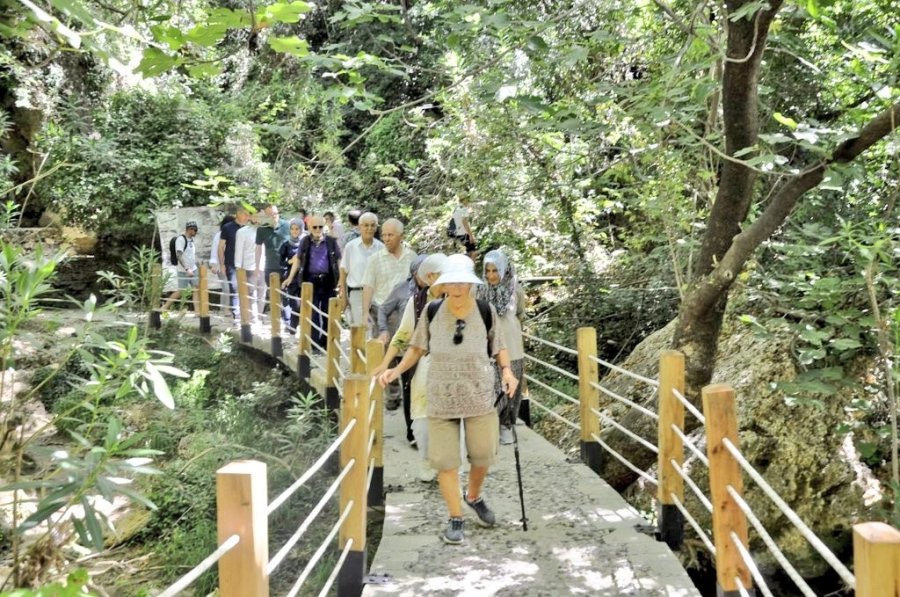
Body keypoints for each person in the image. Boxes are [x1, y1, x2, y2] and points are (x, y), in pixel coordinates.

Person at [378, 254, 518, 545]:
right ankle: (455, 517)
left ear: (471, 284)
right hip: (441, 396)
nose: (457, 287)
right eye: (451, 281)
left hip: (479, 395)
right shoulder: (431, 311)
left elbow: (499, 346)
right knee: (446, 462)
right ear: (443, 284)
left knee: (483, 455)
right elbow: (416, 348)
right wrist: (395, 370)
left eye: (462, 282)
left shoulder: (485, 310)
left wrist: (507, 371)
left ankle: (473, 496)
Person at [373, 253, 447, 479]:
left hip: (451, 367)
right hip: (422, 365)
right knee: (423, 420)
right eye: (442, 275)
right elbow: (402, 335)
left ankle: (446, 465)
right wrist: (385, 364)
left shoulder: (457, 300)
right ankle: (427, 459)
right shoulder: (416, 302)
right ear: (430, 276)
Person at [477, 250, 526, 445]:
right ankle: (490, 426)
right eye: (488, 271)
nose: (491, 275)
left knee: (511, 389)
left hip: (512, 345)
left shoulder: (516, 290)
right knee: (490, 387)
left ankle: (506, 425)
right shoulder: (479, 290)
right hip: (487, 347)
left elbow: (520, 315)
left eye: (495, 270)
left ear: (504, 269)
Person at [282, 215, 341, 349]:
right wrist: (290, 278)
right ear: (309, 228)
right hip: (310, 281)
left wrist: (341, 280)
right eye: (315, 227)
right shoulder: (305, 241)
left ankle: (326, 342)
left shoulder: (331, 241)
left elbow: (338, 260)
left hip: (328, 281)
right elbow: (298, 260)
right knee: (312, 312)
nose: (318, 229)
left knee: (327, 312)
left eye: (320, 227)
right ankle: (314, 342)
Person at [338, 212, 382, 327]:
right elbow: (343, 271)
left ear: (376, 227)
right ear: (360, 226)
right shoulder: (351, 247)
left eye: (373, 225)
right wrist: (343, 297)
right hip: (357, 294)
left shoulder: (381, 248)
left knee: (376, 329)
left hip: (377, 295)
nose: (369, 228)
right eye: (366, 225)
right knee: (361, 329)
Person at [256, 204, 291, 312]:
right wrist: (257, 267)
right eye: (270, 214)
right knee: (273, 295)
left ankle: (287, 320)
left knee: (287, 295)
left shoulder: (287, 226)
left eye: (275, 213)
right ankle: (276, 319)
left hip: (286, 267)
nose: (274, 216)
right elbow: (258, 249)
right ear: (266, 216)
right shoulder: (261, 229)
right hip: (270, 267)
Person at [218, 205, 251, 320]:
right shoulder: (227, 227)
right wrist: (222, 264)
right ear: (238, 214)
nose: (247, 217)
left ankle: (247, 313)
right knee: (234, 288)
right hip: (231, 263)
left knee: (248, 289)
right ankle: (236, 314)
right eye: (245, 214)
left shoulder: (249, 228)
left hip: (247, 263)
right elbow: (221, 247)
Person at [163, 221, 199, 312]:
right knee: (181, 291)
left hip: (193, 268)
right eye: (195, 230)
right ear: (189, 229)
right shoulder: (181, 239)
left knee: (196, 288)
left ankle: (197, 311)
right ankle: (164, 307)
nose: (196, 232)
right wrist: (187, 268)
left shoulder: (191, 240)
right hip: (184, 270)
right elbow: (179, 255)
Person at [234, 208, 261, 322]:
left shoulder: (266, 230)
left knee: (262, 293)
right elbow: (239, 251)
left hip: (263, 266)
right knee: (251, 293)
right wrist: (238, 267)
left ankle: (259, 316)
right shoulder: (242, 232)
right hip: (249, 266)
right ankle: (252, 317)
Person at [277, 218, 304, 333]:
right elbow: (280, 262)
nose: (294, 231)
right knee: (295, 304)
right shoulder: (286, 244)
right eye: (292, 229)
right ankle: (292, 328)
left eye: (297, 229)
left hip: (304, 277)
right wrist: (290, 262)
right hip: (291, 278)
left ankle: (298, 328)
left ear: (301, 229)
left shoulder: (305, 243)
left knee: (305, 304)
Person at [209, 215, 233, 312]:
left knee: (231, 287)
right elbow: (215, 250)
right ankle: (226, 309)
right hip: (220, 265)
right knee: (226, 287)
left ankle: (226, 308)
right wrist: (213, 264)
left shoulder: (235, 234)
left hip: (232, 265)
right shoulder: (219, 235)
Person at [450, 196, 477, 260]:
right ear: (464, 200)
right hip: (463, 233)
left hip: (456, 233)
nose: (468, 202)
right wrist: (470, 236)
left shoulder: (457, 208)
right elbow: (464, 223)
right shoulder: (464, 209)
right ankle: (471, 265)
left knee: (467, 252)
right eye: (467, 200)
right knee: (473, 253)